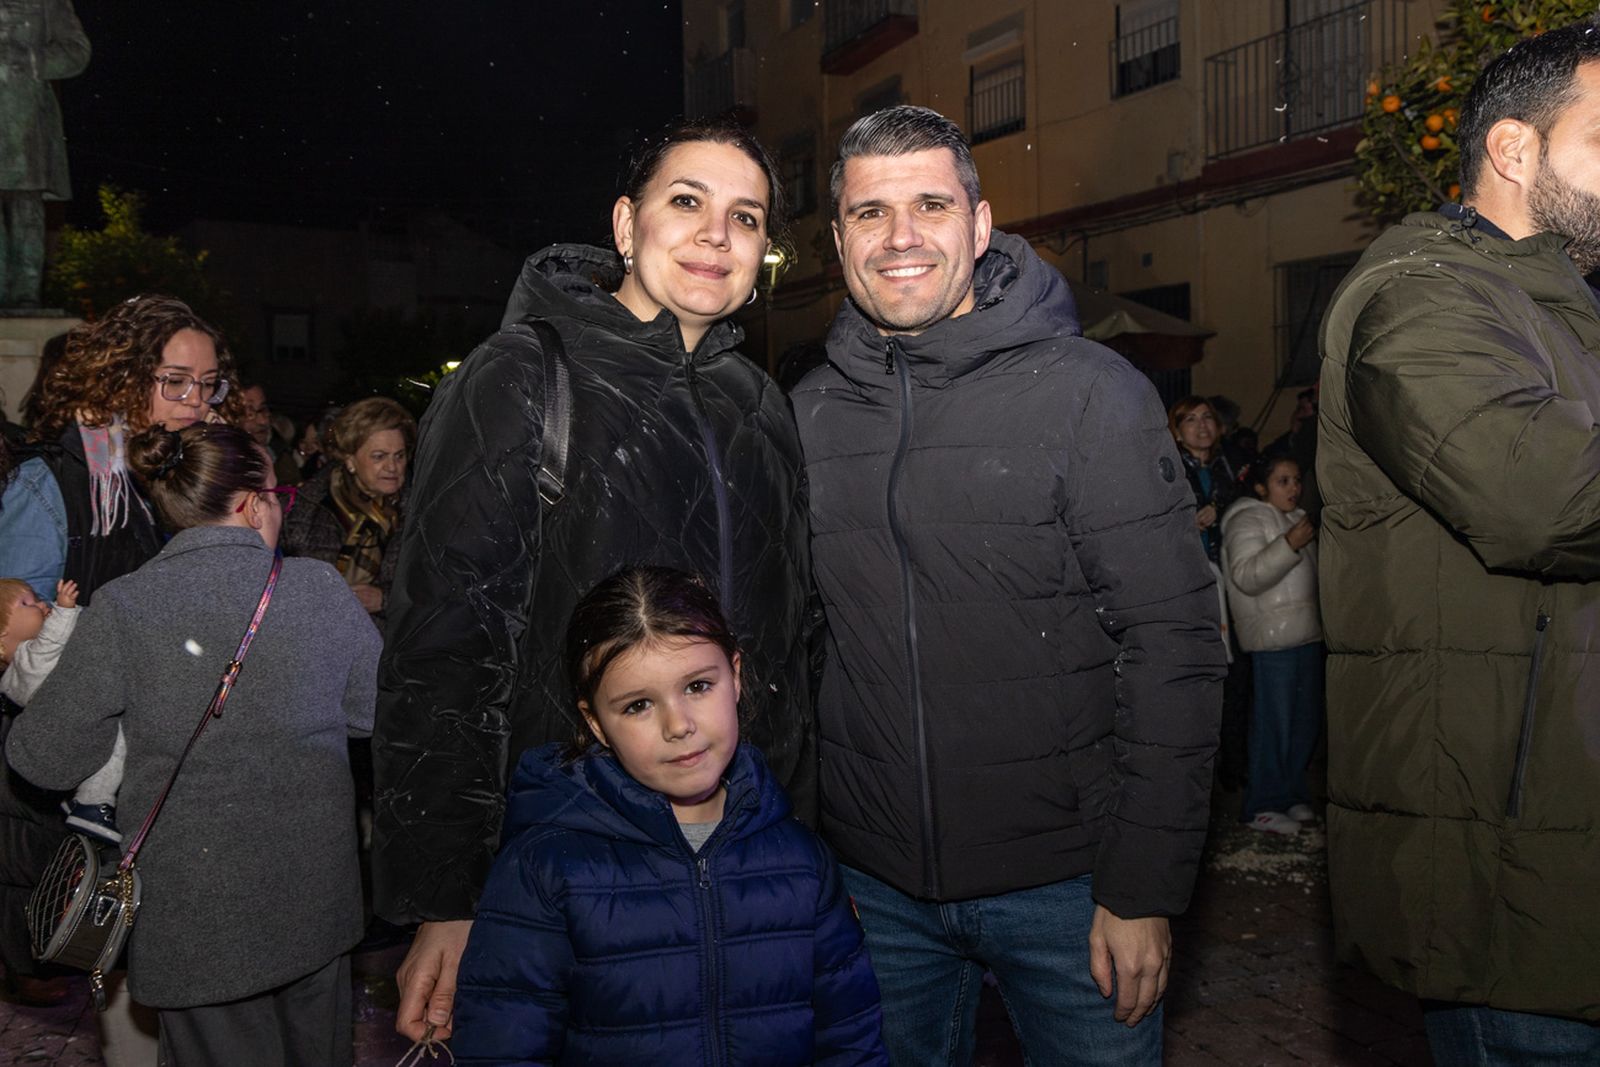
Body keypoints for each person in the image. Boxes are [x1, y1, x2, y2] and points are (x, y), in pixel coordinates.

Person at [790, 105, 1224, 1065]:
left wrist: (1143, 887)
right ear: (839, 241)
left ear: (980, 226)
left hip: (1070, 890)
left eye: (930, 205)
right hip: (874, 895)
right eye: (870, 213)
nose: (900, 236)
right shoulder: (808, 413)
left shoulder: (1089, 391)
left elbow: (1176, 646)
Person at [373, 119, 814, 1043]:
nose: (716, 234)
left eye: (746, 217)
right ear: (624, 225)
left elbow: (790, 646)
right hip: (574, 865)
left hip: (743, 859)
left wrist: (801, 851)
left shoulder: (761, 403)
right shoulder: (522, 374)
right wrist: (447, 896)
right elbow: (445, 645)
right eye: (686, 201)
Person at [1319, 21, 1600, 1060]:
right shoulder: (1419, 297)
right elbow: (1548, 499)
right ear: (1514, 150)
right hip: (1505, 869)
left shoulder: (1561, 309)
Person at [5, 421, 379, 1066]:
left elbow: (43, 756)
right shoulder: (320, 588)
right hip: (314, 899)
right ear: (253, 503)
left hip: (196, 912)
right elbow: (369, 714)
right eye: (279, 497)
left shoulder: (126, 605)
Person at [452, 566, 885, 1065]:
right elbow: (502, 1049)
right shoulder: (543, 870)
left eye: (698, 686)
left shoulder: (803, 861)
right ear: (595, 722)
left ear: (736, 676)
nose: (678, 725)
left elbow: (851, 1040)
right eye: (638, 705)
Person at [0, 293, 236, 1021]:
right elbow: (11, 633)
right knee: (88, 946)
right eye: (176, 382)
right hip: (68, 754)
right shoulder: (55, 482)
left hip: (155, 744)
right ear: (123, 378)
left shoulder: (178, 472)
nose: (196, 401)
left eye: (209, 384)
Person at [1219, 456, 1320, 837]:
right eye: (1283, 481)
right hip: (1273, 639)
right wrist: (1288, 545)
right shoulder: (1246, 519)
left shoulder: (1298, 518)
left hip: (1307, 634)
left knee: (1303, 723)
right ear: (1261, 487)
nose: (1294, 487)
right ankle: (1261, 804)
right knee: (1273, 724)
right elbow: (1247, 576)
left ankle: (1291, 793)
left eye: (1296, 480)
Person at [1169, 395, 1252, 793]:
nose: (1201, 426)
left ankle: (1233, 776)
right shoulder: (1167, 472)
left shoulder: (1231, 467)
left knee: (1235, 681)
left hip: (1233, 584)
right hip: (1189, 590)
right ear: (1176, 432)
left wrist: (1219, 506)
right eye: (1190, 419)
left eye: (1207, 418)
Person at [0, 577, 123, 844]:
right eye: (27, 603)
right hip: (70, 727)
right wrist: (65, 609)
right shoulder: (25, 662)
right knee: (119, 745)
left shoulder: (22, 667)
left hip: (71, 727)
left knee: (111, 750)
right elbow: (51, 642)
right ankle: (92, 802)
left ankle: (82, 798)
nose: (41, 604)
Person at [282, 396, 415, 619]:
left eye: (399, 456)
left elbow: (438, 589)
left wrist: (385, 599)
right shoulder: (304, 509)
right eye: (379, 456)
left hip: (387, 636)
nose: (392, 467)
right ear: (350, 460)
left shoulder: (419, 514)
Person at [0, 0, 89, 307]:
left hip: (25, 125)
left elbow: (77, 51)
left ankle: (24, 297)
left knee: (25, 211)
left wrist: (30, 58)